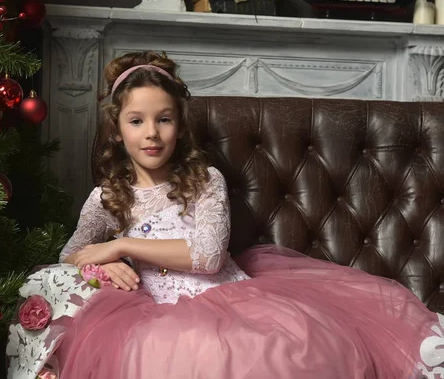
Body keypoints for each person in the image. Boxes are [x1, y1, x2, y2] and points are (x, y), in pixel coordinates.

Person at [53, 51, 443, 378]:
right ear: (118, 130)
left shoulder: (205, 180)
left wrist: (119, 244)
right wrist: (99, 266)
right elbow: (68, 255)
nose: (151, 132)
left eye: (164, 119)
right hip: (153, 312)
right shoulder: (106, 198)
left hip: (229, 299)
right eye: (137, 121)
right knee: (167, 350)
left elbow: (207, 256)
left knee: (270, 347)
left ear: (180, 126)